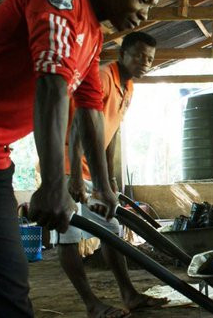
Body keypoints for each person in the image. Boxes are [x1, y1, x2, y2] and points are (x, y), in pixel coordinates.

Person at [0, 0, 162, 316]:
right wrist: (54, 183)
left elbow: (89, 112)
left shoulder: (93, 38)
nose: (144, 15)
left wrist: (103, 186)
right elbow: (52, 84)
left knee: (10, 282)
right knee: (8, 284)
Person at [59, 32, 166, 318]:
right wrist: (74, 175)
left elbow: (111, 131)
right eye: (139, 56)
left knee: (110, 228)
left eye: (150, 59)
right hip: (66, 167)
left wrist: (108, 177)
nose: (145, 62)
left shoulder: (128, 86)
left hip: (93, 170)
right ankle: (92, 304)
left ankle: (129, 294)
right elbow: (79, 124)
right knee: (68, 235)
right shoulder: (103, 77)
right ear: (122, 54)